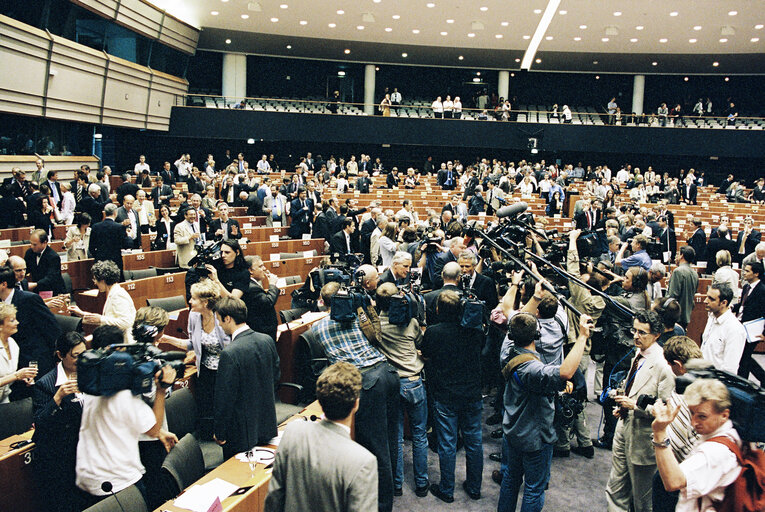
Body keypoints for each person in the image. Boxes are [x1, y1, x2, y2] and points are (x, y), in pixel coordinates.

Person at [312, 281, 399, 512]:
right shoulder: (358, 316)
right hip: (388, 374)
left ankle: (381, 505)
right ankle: (394, 487)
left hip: (368, 384)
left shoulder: (318, 328)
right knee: (390, 437)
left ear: (323, 301)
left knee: (375, 447)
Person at [497, 311, 593, 512]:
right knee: (534, 489)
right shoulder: (532, 369)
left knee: (510, 480)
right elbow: (565, 372)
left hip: (512, 431)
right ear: (537, 335)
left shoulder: (507, 353)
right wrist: (582, 336)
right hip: (535, 437)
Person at [75, 329, 178, 509]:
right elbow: (152, 430)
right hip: (117, 481)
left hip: (89, 476)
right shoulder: (123, 394)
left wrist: (159, 431)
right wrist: (161, 390)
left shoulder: (94, 385)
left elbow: (115, 418)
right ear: (120, 349)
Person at [264, 362, 378, 512]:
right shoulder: (363, 462)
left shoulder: (293, 431)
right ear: (356, 404)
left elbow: (274, 499)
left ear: (320, 401)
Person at [605, 310, 675, 512]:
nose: (636, 336)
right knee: (616, 487)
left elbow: (665, 411)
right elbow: (634, 387)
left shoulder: (663, 366)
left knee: (642, 499)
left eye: (642, 332)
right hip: (624, 427)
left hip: (644, 438)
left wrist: (634, 406)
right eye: (634, 330)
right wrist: (622, 405)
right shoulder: (638, 354)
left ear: (656, 335)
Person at [421, 290, 483, 503]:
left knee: (447, 443)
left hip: (445, 395)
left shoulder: (433, 332)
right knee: (474, 441)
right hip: (472, 394)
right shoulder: (475, 331)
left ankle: (447, 489)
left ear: (437, 310)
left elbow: (426, 356)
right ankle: (474, 487)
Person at [651, 378, 742, 511]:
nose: (693, 423)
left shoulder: (717, 452)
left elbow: (674, 482)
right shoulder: (727, 435)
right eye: (692, 414)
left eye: (702, 416)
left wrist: (659, 432)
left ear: (724, 415)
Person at [375, 283, 429, 497]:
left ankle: (396, 485)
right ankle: (422, 484)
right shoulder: (411, 322)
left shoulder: (375, 325)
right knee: (419, 435)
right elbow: (421, 344)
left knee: (395, 437)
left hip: (391, 383)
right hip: (414, 382)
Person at [213, 297, 279, 459]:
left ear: (227, 318)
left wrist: (220, 433)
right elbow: (276, 377)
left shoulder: (230, 353)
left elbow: (225, 398)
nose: (219, 325)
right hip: (267, 423)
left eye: (219, 321)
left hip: (241, 434)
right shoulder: (267, 340)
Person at [31, 332, 86, 512]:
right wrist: (58, 398)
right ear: (61, 355)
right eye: (76, 356)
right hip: (60, 457)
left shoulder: (90, 374)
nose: (81, 360)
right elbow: (40, 422)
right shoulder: (45, 384)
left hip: (86, 452)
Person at [649, 336, 703, 512]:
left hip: (680, 474)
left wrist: (658, 431)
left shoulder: (684, 394)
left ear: (678, 365)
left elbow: (673, 444)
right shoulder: (708, 382)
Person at [182, 279, 229, 439]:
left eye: (193, 298)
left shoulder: (222, 315)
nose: (189, 301)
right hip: (205, 368)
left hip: (225, 368)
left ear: (206, 302)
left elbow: (233, 344)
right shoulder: (193, 316)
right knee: (206, 403)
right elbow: (192, 343)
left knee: (224, 404)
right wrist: (168, 340)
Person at [68, 260, 136, 343]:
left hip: (124, 343)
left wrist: (101, 319)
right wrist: (82, 314)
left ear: (103, 280)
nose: (95, 283)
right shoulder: (113, 292)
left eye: (95, 279)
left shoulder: (118, 295)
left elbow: (126, 322)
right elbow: (109, 318)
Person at [701, 282, 746, 374]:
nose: (705, 301)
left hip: (716, 384)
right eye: (707, 296)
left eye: (711, 299)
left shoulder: (735, 329)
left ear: (724, 303)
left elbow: (730, 369)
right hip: (702, 378)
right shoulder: (711, 317)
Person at [733, 261, 765, 383]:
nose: (743, 273)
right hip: (741, 326)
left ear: (756, 273)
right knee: (744, 357)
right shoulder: (746, 287)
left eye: (747, 271)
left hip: (753, 329)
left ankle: (743, 383)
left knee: (744, 357)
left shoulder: (762, 290)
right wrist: (732, 307)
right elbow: (743, 305)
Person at [0, 303, 38, 403]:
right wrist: (16, 376)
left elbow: (8, 375)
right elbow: (12, 375)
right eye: (12, 320)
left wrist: (23, 377)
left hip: (5, 400)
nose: (17, 323)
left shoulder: (12, 344)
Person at [243, 255, 280, 342]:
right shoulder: (251, 287)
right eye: (260, 266)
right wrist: (272, 284)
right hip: (262, 333)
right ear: (250, 271)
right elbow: (268, 302)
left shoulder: (251, 284)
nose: (264, 268)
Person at [24, 229, 66, 295]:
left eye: (34, 244)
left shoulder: (53, 257)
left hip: (53, 291)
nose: (31, 246)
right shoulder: (29, 253)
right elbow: (25, 269)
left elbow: (51, 278)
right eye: (31, 243)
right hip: (38, 290)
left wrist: (35, 284)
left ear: (44, 243)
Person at [666, 246, 699, 329]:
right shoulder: (695, 274)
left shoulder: (678, 271)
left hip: (676, 316)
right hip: (687, 315)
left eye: (677, 254)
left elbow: (672, 296)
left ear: (682, 256)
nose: (675, 257)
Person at [89, 203, 127, 271]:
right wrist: (129, 236)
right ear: (115, 213)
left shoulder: (95, 227)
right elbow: (125, 244)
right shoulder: (119, 227)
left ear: (105, 213)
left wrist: (98, 256)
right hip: (115, 261)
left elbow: (91, 247)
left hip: (100, 261)